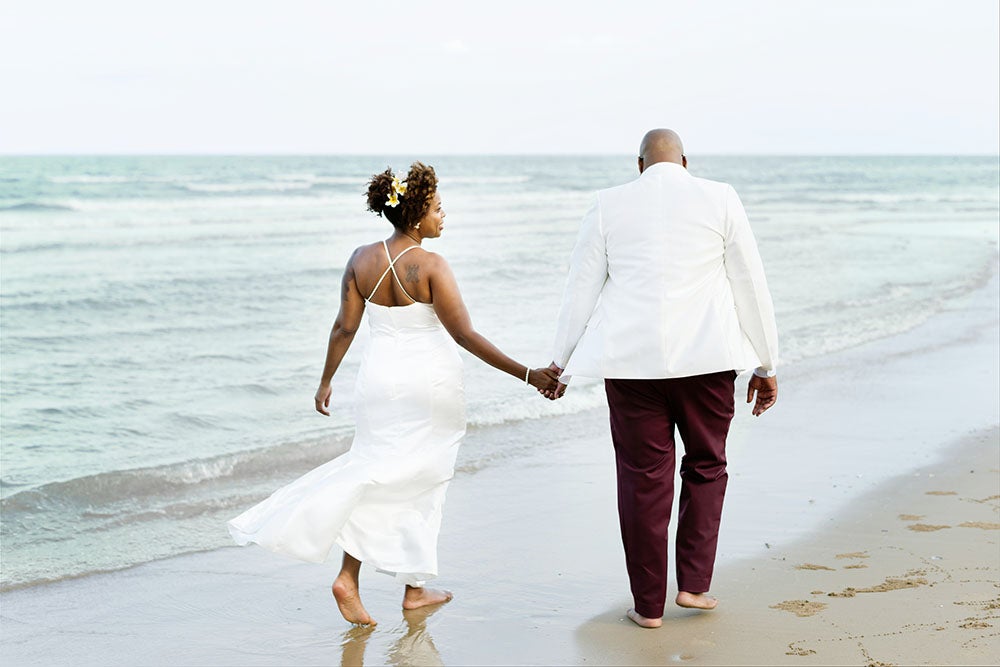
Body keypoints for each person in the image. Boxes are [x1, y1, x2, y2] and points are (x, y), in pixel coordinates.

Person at [228, 162, 560, 626]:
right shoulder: (431, 265)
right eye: (438, 208)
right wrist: (530, 375)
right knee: (421, 478)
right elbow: (464, 335)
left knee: (379, 471)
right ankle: (383, 583)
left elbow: (345, 326)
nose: (445, 216)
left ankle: (395, 583)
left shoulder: (360, 259)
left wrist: (326, 381)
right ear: (416, 214)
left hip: (378, 383)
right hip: (429, 385)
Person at [546, 129, 779, 628]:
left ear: (639, 165)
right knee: (707, 466)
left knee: (641, 481)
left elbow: (579, 289)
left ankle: (648, 607)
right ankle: (693, 587)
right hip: (708, 362)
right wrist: (767, 362)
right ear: (686, 162)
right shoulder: (720, 197)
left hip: (631, 368)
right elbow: (750, 283)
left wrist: (561, 363)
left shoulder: (609, 205)